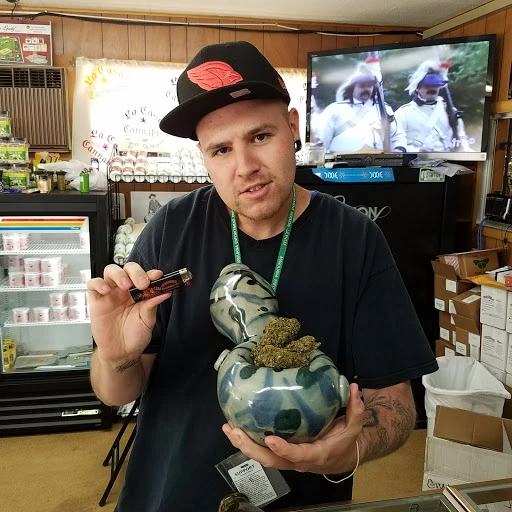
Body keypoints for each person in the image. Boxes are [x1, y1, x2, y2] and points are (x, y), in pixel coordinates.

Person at [88, 40, 438, 512]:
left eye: (259, 137)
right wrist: (115, 357)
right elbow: (116, 392)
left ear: (291, 127)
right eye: (221, 149)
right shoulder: (170, 230)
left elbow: (395, 403)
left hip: (306, 498)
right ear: (204, 156)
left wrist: (347, 450)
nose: (245, 168)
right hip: (171, 494)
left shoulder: (354, 239)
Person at [315, 64, 407, 153]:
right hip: (342, 162)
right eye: (362, 86)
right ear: (352, 88)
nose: (366, 89)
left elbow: (397, 136)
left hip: (377, 161)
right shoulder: (334, 109)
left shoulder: (384, 108)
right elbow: (322, 141)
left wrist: (398, 150)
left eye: (369, 86)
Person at [394, 61, 471, 152]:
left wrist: (465, 149)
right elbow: (397, 145)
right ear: (417, 88)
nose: (432, 88)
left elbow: (461, 136)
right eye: (427, 85)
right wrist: (418, 150)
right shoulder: (403, 113)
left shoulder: (450, 110)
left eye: (435, 85)